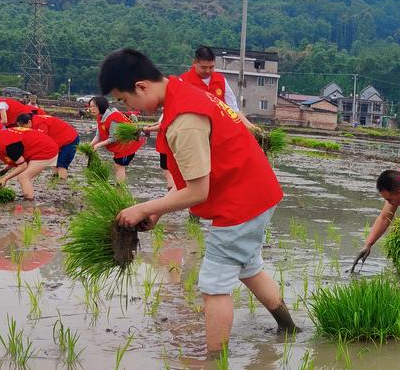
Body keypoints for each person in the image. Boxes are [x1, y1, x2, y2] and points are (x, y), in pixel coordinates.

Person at [98, 48, 294, 352]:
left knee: (214, 287)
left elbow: (198, 192)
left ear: (141, 87)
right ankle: (289, 328)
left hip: (240, 202)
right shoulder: (183, 91)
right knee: (249, 266)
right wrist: (160, 212)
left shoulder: (184, 120)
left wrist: (144, 207)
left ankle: (215, 367)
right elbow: (193, 183)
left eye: (124, 100)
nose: (128, 107)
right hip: (257, 191)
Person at [0, 125, 58, 200]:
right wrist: (4, 170)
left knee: (23, 177)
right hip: (39, 146)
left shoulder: (8, 145)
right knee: (23, 176)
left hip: (46, 149)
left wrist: (5, 178)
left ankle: (29, 204)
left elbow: (23, 165)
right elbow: (16, 157)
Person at [87, 95, 145, 183]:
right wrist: (90, 145)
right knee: (117, 165)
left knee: (119, 166)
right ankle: (119, 186)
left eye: (94, 106)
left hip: (127, 145)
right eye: (90, 106)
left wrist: (98, 145)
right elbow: (98, 135)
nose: (91, 109)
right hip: (121, 145)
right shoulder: (100, 117)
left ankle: (119, 189)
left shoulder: (113, 117)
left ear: (101, 105)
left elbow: (114, 138)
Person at [16, 112, 79, 180]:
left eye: (22, 127)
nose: (22, 129)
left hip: (70, 140)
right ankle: (54, 183)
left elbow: (41, 142)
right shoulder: (34, 120)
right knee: (55, 164)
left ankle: (62, 186)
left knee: (61, 165)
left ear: (29, 122)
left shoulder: (40, 124)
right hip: (59, 141)